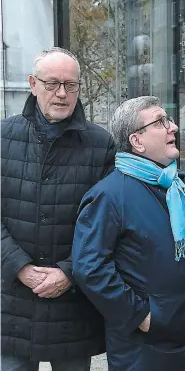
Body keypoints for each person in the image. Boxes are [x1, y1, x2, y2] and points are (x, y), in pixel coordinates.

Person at [71, 96, 185, 371]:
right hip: (146, 350)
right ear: (137, 141)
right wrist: (140, 315)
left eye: (169, 120)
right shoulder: (109, 196)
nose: (173, 127)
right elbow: (90, 268)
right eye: (160, 122)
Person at [1, 47, 115, 370]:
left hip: (73, 305)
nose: (62, 94)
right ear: (33, 84)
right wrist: (20, 266)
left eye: (71, 85)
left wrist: (69, 271)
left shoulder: (100, 145)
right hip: (12, 303)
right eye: (52, 84)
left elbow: (107, 224)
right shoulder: (2, 138)